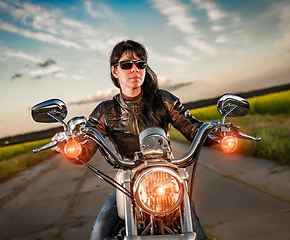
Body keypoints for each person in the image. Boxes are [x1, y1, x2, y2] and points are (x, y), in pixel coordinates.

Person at [58, 40, 210, 239]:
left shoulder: (163, 99)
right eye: (127, 65)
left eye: (141, 64)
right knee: (99, 233)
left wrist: (216, 132)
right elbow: (87, 146)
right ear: (115, 71)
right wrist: (71, 146)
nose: (135, 69)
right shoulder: (106, 111)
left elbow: (191, 127)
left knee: (197, 233)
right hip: (128, 182)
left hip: (166, 177)